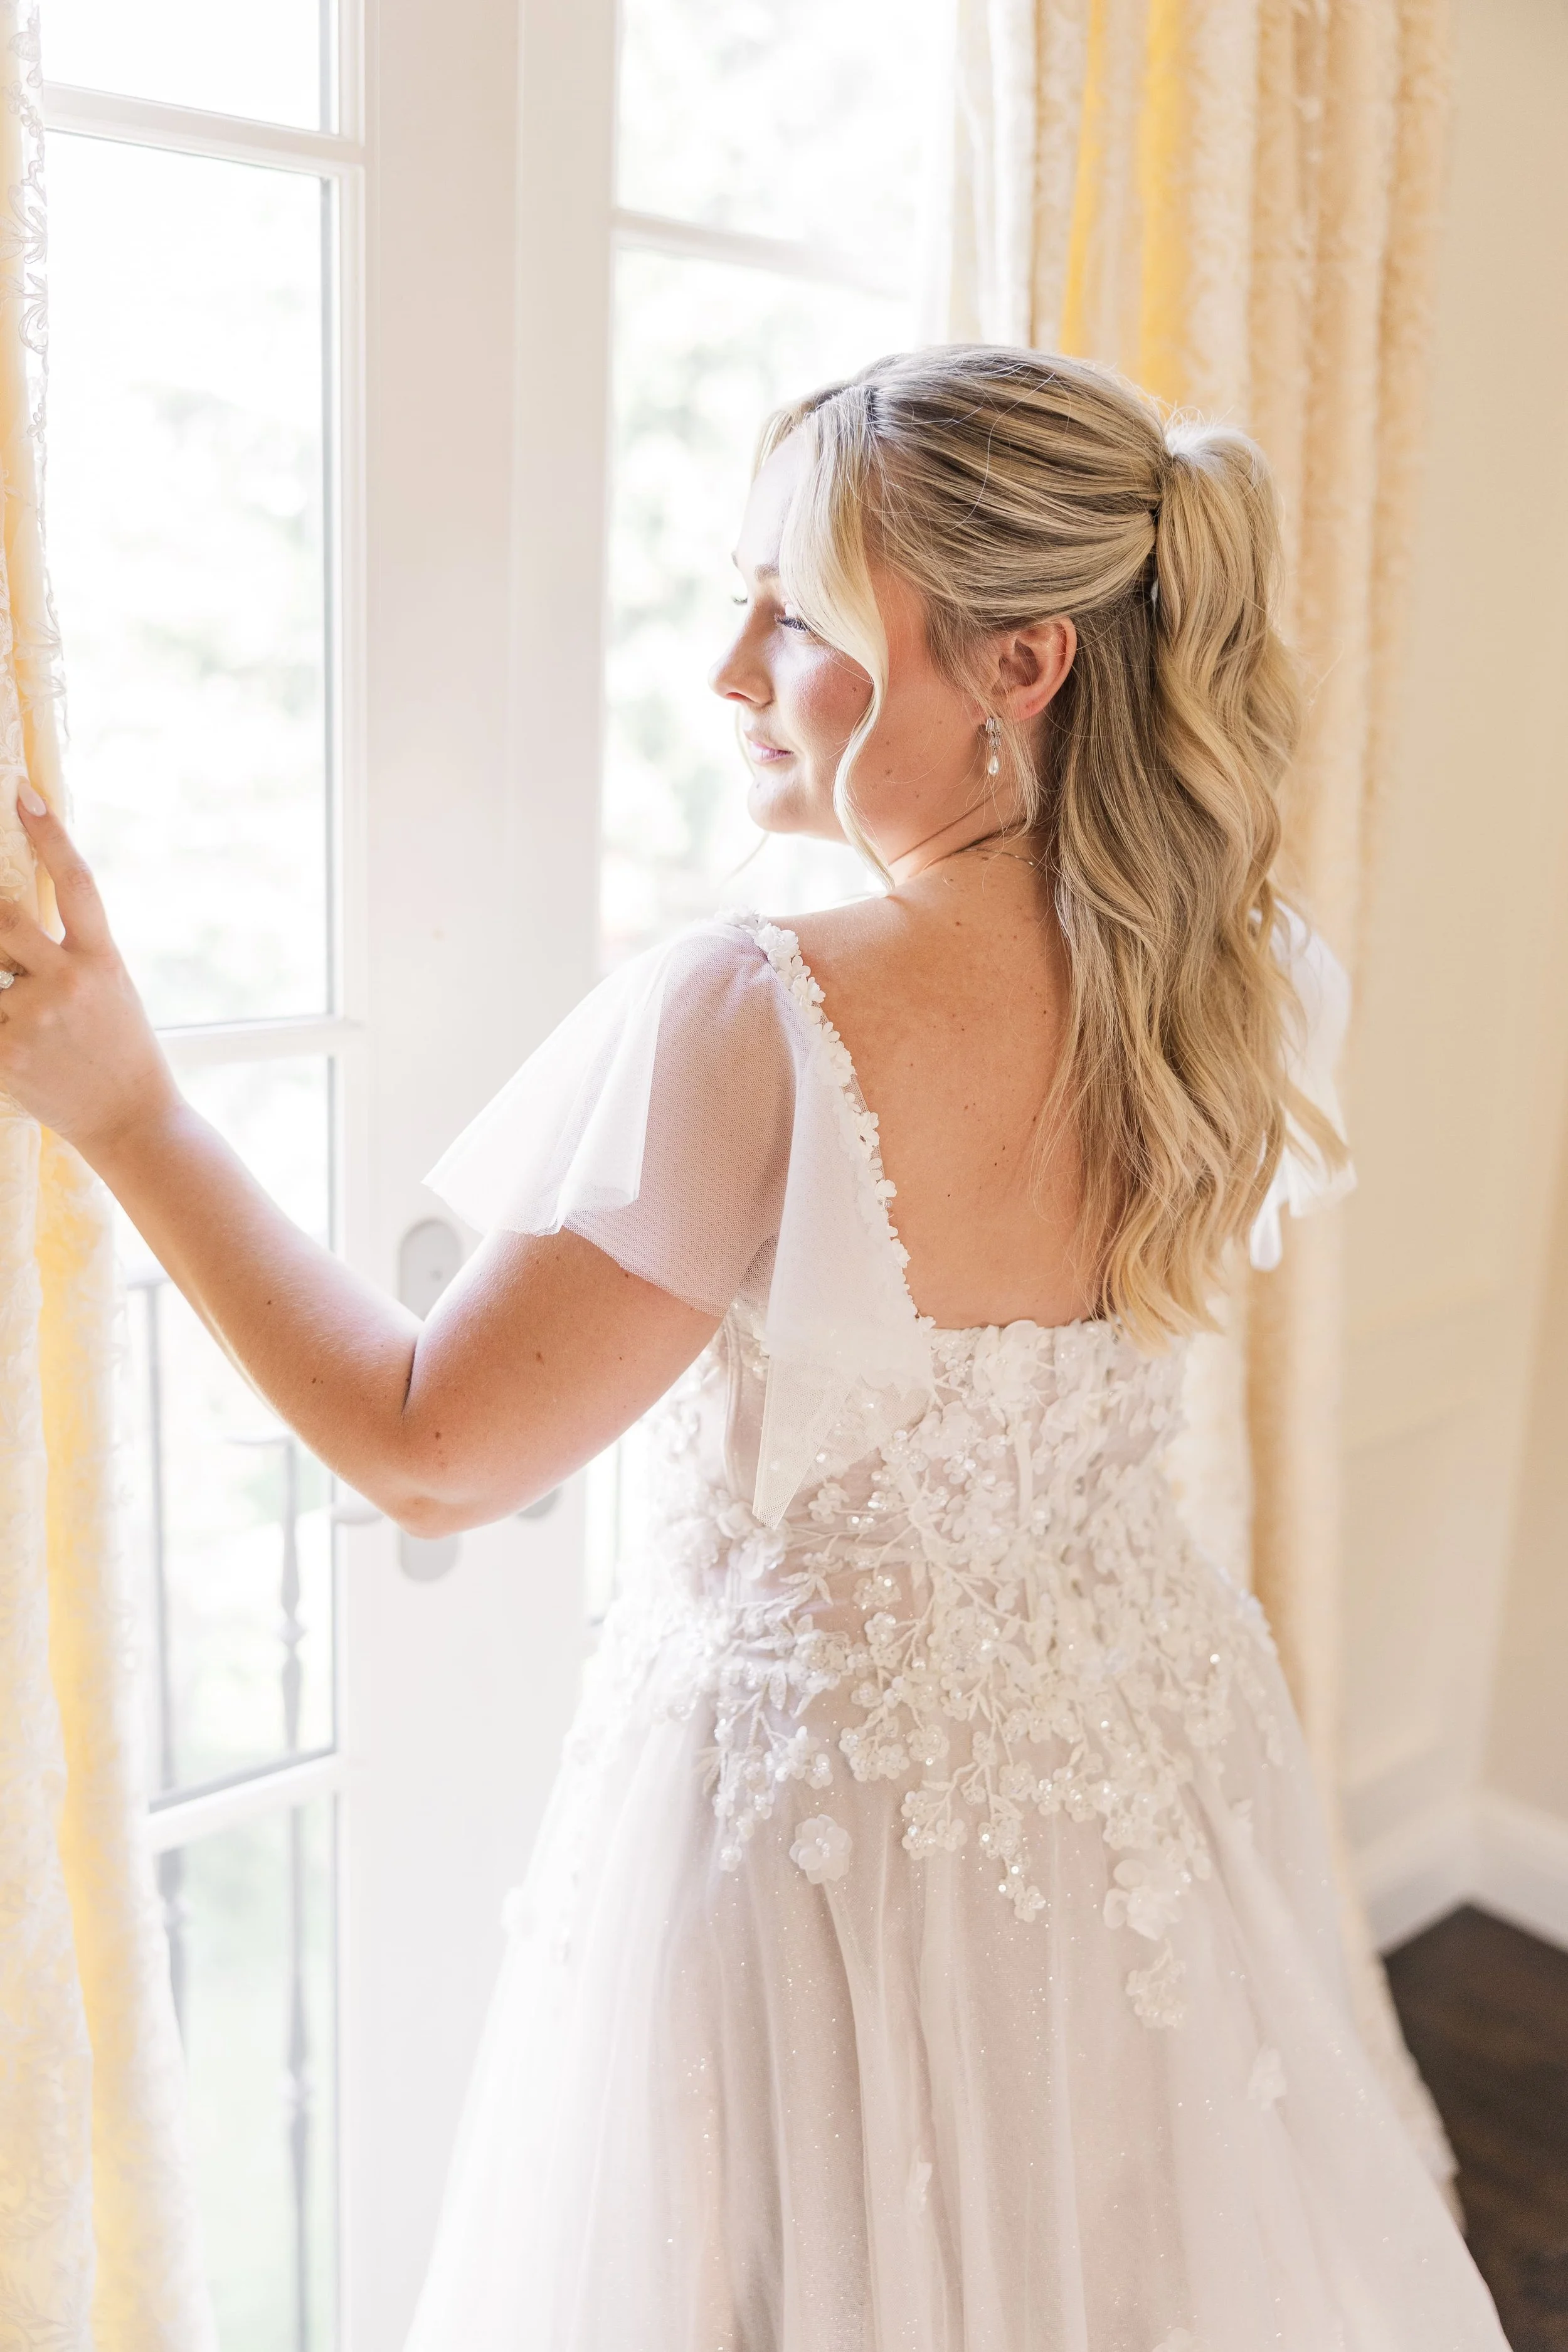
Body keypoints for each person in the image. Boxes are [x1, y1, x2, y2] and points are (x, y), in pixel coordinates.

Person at [0, 347, 1507, 2351]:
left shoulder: (766, 1013)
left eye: (791, 616)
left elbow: (433, 1449)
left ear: (1019, 665)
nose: (727, 668)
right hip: (1144, 1793)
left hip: (827, 1850)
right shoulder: (1230, 973)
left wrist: (132, 1110)